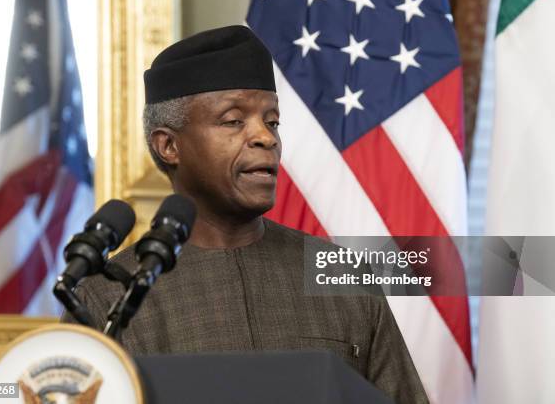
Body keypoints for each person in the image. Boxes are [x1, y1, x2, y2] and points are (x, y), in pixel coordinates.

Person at [62, 25, 428, 403]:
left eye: (272, 121)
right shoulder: (108, 296)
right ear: (169, 145)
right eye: (234, 120)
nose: (265, 137)